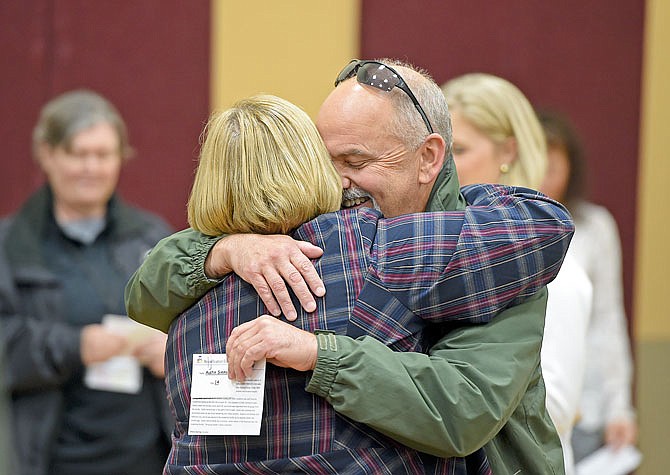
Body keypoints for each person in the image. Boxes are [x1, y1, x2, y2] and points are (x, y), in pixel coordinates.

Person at [126, 59, 569, 474]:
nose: (336, 181)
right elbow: (145, 291)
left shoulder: (492, 252)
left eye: (356, 162)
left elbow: (461, 410)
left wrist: (320, 353)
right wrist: (224, 249)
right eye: (325, 161)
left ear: (429, 157)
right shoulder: (317, 234)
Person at [0, 90, 174, 475]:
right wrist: (74, 346)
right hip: (52, 458)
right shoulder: (10, 246)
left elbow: (199, 328)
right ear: (47, 155)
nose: (91, 168)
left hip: (147, 457)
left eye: (104, 155)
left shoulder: (153, 239)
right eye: (78, 154)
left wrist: (174, 352)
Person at [441, 72, 593, 474]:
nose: (442, 166)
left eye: (459, 150)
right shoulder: (445, 249)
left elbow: (555, 404)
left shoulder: (555, 268)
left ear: (508, 150)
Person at [537, 108, 638, 462]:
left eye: (553, 167)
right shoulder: (507, 227)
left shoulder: (595, 227)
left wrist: (620, 407)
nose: (544, 178)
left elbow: (607, 321)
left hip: (589, 404)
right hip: (537, 400)